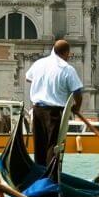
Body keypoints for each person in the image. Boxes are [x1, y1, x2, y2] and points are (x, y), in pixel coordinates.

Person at [25, 39, 84, 167]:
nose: (69, 57)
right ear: (66, 53)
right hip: (55, 113)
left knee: (39, 146)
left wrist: (44, 84)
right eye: (69, 54)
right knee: (54, 146)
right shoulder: (67, 69)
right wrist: (76, 107)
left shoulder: (39, 63)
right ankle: (51, 178)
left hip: (37, 111)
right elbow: (77, 92)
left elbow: (28, 78)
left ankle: (41, 175)